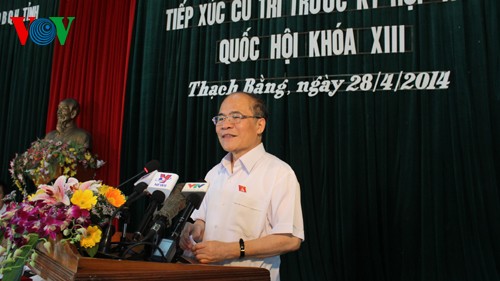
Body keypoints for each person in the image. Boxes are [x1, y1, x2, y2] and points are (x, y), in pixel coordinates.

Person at [179, 92, 304, 281]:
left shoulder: (279, 173)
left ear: (259, 125)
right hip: (204, 275)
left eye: (236, 117)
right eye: (220, 118)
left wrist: (229, 250)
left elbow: (290, 240)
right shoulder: (214, 173)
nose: (225, 124)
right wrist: (193, 231)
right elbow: (201, 221)